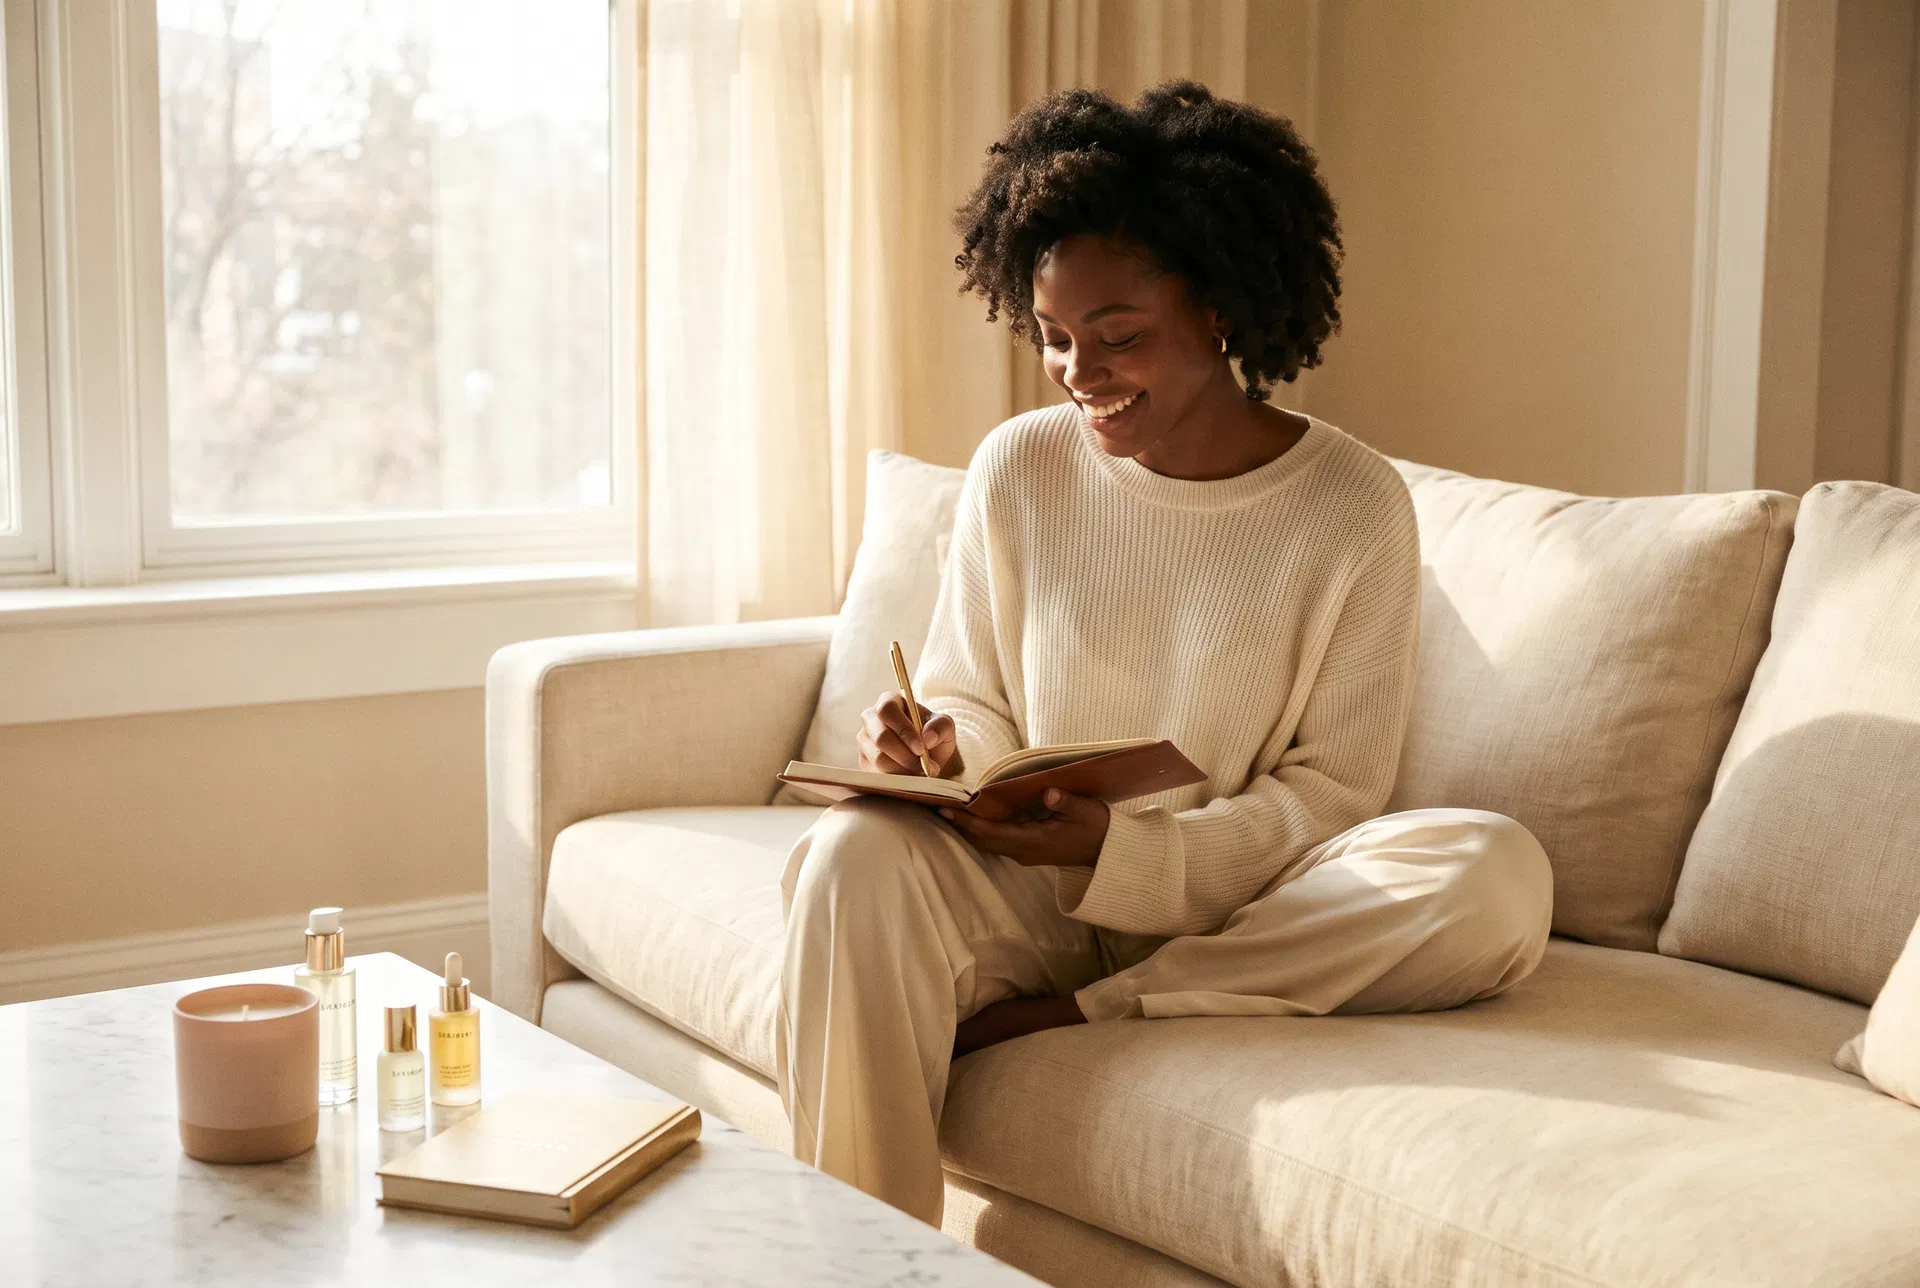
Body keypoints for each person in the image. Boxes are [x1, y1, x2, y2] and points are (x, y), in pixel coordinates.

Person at [775, 81, 1552, 1226]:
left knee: (1492, 873)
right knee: (850, 857)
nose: (1078, 371)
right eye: (1052, 338)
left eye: (1119, 336)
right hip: (1034, 888)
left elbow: (1334, 796)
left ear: (1224, 309)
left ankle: (1113, 1008)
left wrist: (1130, 854)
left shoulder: (1352, 504)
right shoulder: (1020, 466)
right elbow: (974, 693)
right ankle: (858, 1264)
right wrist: (943, 748)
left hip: (1238, 906)